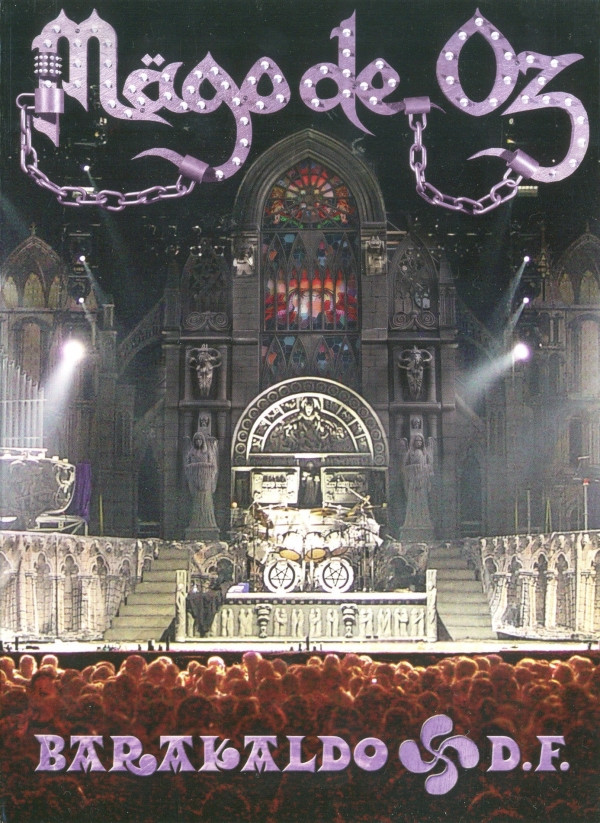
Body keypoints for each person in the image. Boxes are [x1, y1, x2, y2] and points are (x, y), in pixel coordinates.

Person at [185, 431, 219, 537]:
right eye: (196, 440)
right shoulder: (192, 453)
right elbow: (187, 465)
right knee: (196, 505)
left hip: (206, 482)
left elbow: (213, 466)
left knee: (206, 503)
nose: (198, 442)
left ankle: (208, 524)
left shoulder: (207, 452)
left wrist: (206, 470)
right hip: (196, 482)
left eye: (200, 440)